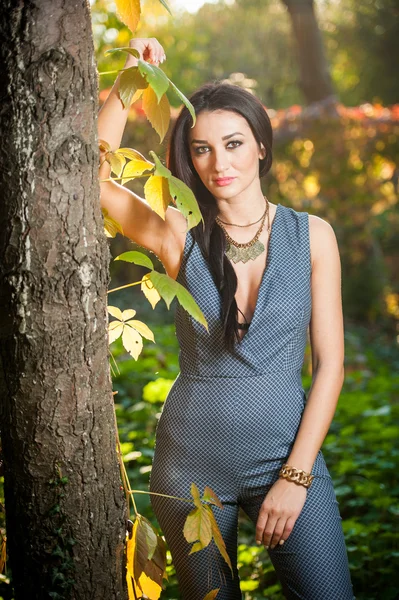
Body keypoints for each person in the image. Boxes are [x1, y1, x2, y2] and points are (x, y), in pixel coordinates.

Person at [98, 38, 356, 600]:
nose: (219, 163)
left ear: (261, 146)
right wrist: (130, 78)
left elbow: (331, 365)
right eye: (201, 149)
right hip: (191, 466)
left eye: (233, 144)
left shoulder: (313, 236)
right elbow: (93, 179)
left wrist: (295, 477)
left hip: (287, 461)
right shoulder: (176, 232)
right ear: (188, 158)